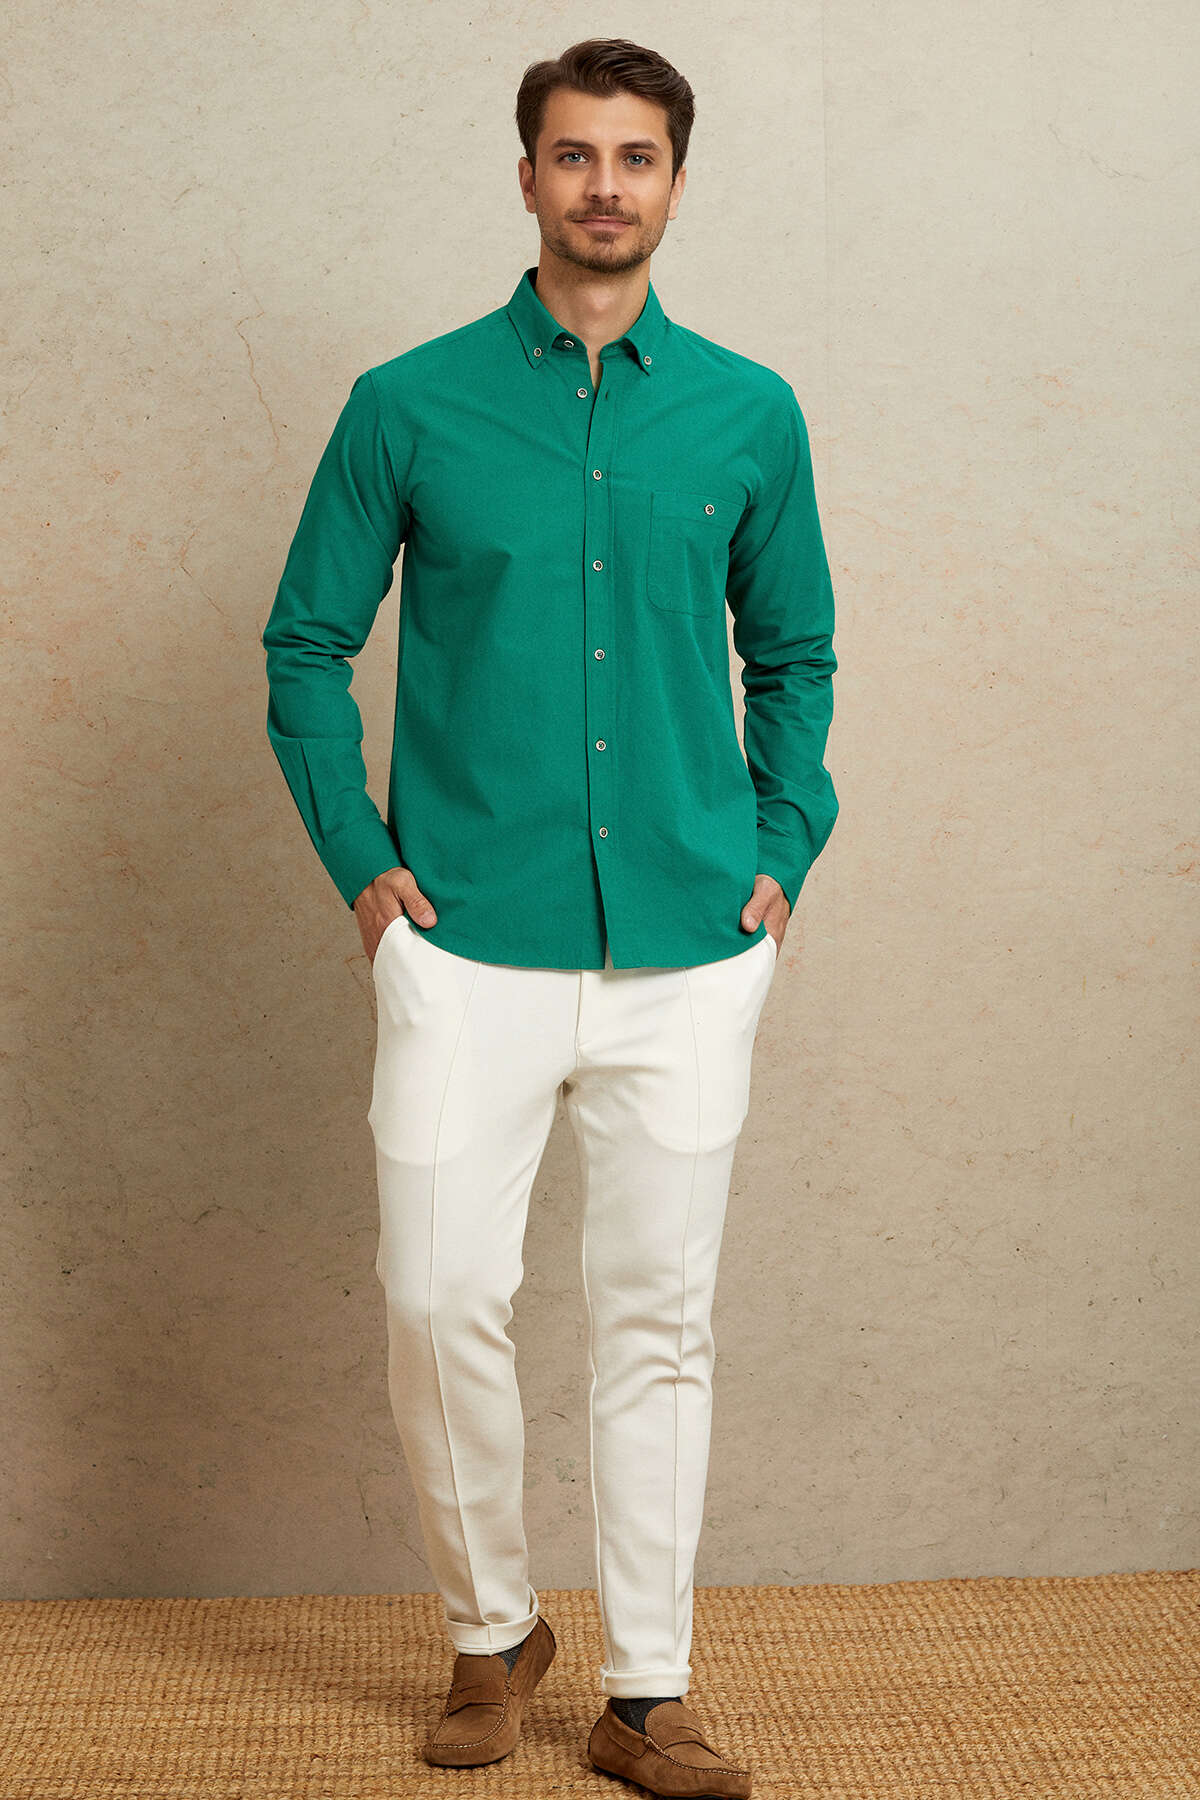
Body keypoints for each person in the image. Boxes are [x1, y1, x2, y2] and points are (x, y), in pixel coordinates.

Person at [261, 35, 838, 1799]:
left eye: (635, 156)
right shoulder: (407, 403)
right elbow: (305, 644)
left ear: (676, 182)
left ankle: (648, 1694)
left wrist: (783, 848)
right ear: (526, 177)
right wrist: (364, 866)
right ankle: (491, 1627)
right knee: (439, 1296)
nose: (604, 184)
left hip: (690, 943)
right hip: (465, 937)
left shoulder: (749, 412)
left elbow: (796, 656)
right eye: (574, 154)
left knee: (660, 1318)